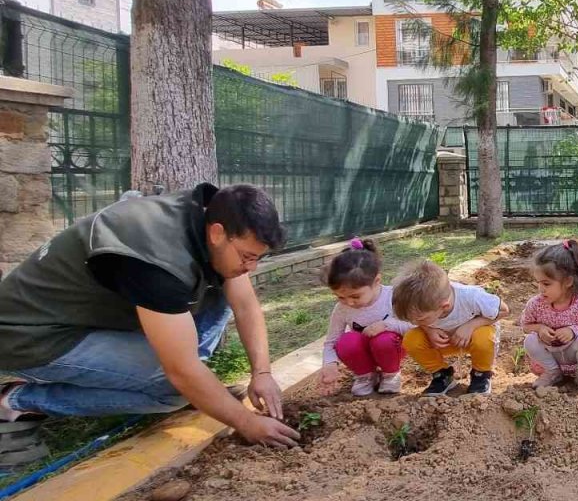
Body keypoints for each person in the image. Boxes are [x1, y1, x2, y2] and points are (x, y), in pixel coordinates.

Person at [0, 184, 300, 447]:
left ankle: (175, 378)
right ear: (218, 232)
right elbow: (181, 372)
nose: (252, 268)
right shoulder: (155, 262)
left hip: (85, 317)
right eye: (247, 257)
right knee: (174, 391)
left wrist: (262, 373)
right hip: (31, 336)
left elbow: (245, 304)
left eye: (257, 259)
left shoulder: (209, 215)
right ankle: (16, 400)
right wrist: (246, 423)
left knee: (224, 290)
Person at [395, 260, 509, 396]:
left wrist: (470, 326)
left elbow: (504, 310)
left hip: (474, 340)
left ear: (444, 307)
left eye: (420, 319)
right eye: (411, 319)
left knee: (484, 337)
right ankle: (442, 375)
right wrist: (428, 329)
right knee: (411, 339)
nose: (414, 322)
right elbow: (418, 322)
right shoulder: (419, 306)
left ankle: (481, 374)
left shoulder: (472, 297)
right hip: (445, 340)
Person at [318, 238, 412, 397]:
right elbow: (331, 342)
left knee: (384, 340)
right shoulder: (342, 309)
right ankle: (365, 376)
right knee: (346, 341)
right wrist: (329, 364)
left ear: (376, 281)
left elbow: (414, 326)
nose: (348, 302)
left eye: (355, 296)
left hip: (390, 347)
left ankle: (390, 374)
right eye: (340, 297)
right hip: (363, 352)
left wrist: (386, 325)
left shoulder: (393, 297)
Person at [519, 240, 578, 391]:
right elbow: (525, 326)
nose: (541, 289)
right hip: (550, 352)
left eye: (546, 284)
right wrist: (540, 328)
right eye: (538, 283)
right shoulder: (535, 304)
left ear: (568, 282)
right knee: (530, 341)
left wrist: (574, 330)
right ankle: (553, 372)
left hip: (575, 351)